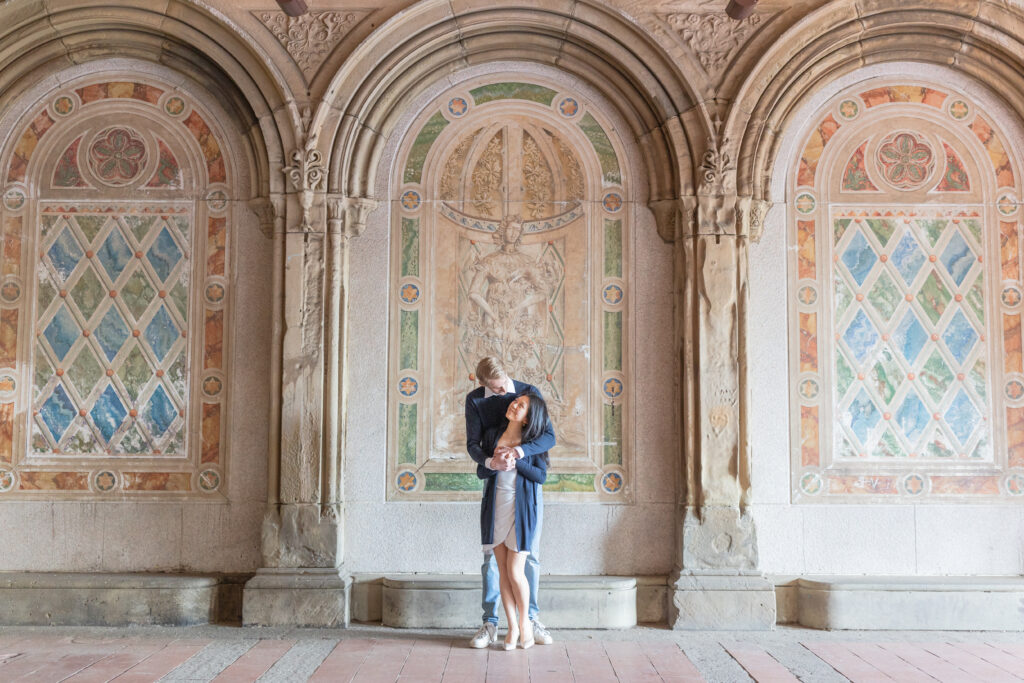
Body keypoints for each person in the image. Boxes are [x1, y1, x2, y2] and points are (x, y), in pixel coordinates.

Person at [466, 356, 555, 648]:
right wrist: (491, 461)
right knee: (493, 562)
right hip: (496, 487)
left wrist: (519, 455)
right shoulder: (475, 401)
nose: (505, 395)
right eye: (496, 390)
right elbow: (473, 445)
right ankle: (492, 623)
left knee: (529, 558)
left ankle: (529, 620)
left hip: (525, 489)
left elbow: (548, 437)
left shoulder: (527, 394)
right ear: (483, 386)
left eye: (504, 385)